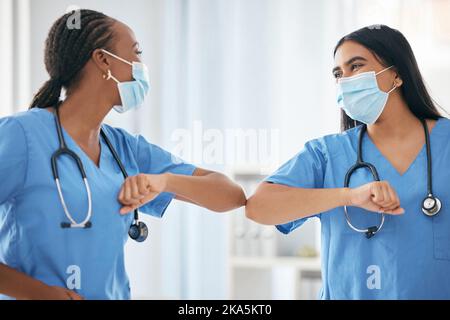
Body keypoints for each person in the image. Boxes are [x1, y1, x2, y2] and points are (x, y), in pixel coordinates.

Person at [0, 9, 246, 300]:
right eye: (136, 52)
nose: (142, 65)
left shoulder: (123, 148)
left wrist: (165, 182)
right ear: (103, 60)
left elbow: (231, 195)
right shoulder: (20, 135)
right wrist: (42, 294)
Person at [246, 25, 450, 299]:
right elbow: (259, 207)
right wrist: (349, 196)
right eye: (338, 73)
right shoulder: (328, 154)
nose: (345, 80)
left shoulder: (445, 143)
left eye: (355, 66)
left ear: (397, 74)